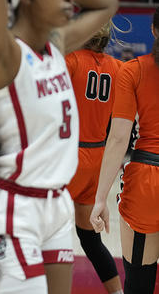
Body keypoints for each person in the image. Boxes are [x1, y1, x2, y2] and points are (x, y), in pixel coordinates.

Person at [0, 0, 118, 294]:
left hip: (56, 204)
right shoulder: (4, 54)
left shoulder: (56, 46)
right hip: (9, 207)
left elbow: (106, 4)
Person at [90, 8, 159, 294]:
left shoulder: (132, 70)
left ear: (154, 30)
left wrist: (100, 199)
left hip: (145, 181)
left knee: (139, 284)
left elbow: (118, 138)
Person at [65, 23, 123, 294]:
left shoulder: (72, 61)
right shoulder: (118, 68)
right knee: (90, 238)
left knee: (47, 236)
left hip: (68, 155)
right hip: (98, 157)